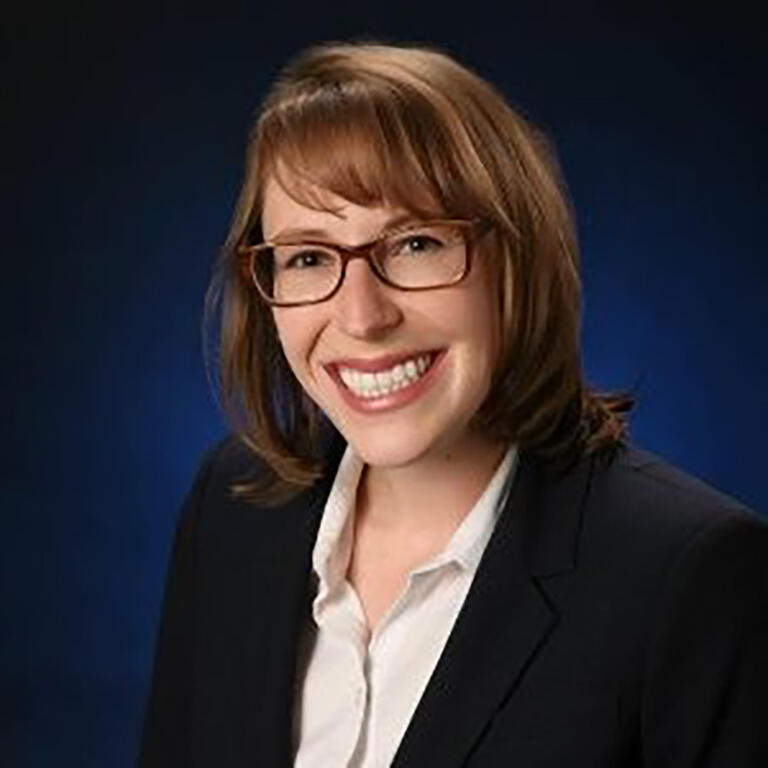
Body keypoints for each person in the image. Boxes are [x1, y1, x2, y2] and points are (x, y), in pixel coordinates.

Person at [137, 42, 768, 767]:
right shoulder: (233, 506)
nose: (362, 317)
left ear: (517, 261)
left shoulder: (693, 577)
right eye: (310, 256)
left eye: (415, 244)